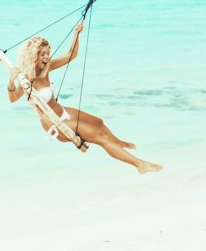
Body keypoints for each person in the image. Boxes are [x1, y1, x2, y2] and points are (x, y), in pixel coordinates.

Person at [8, 23, 162, 174]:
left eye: (48, 53)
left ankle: (118, 143)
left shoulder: (47, 67)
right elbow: (13, 98)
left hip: (61, 111)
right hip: (56, 124)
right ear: (33, 55)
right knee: (100, 137)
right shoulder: (26, 80)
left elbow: (71, 55)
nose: (47, 57)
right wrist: (11, 81)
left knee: (99, 122)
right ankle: (140, 165)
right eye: (43, 54)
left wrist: (76, 34)